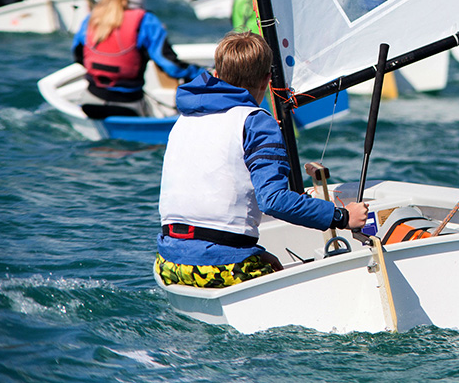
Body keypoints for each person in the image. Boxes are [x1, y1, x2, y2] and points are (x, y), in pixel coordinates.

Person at [155, 31, 369, 288]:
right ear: (268, 79)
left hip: (168, 262)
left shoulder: (183, 119)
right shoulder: (255, 121)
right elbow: (274, 201)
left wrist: (253, 252)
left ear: (216, 74)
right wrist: (342, 217)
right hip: (220, 267)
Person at [72, 0, 204, 118]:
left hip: (91, 101)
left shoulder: (92, 17)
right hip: (128, 104)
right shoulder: (146, 21)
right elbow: (171, 66)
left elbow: (78, 55)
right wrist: (199, 72)